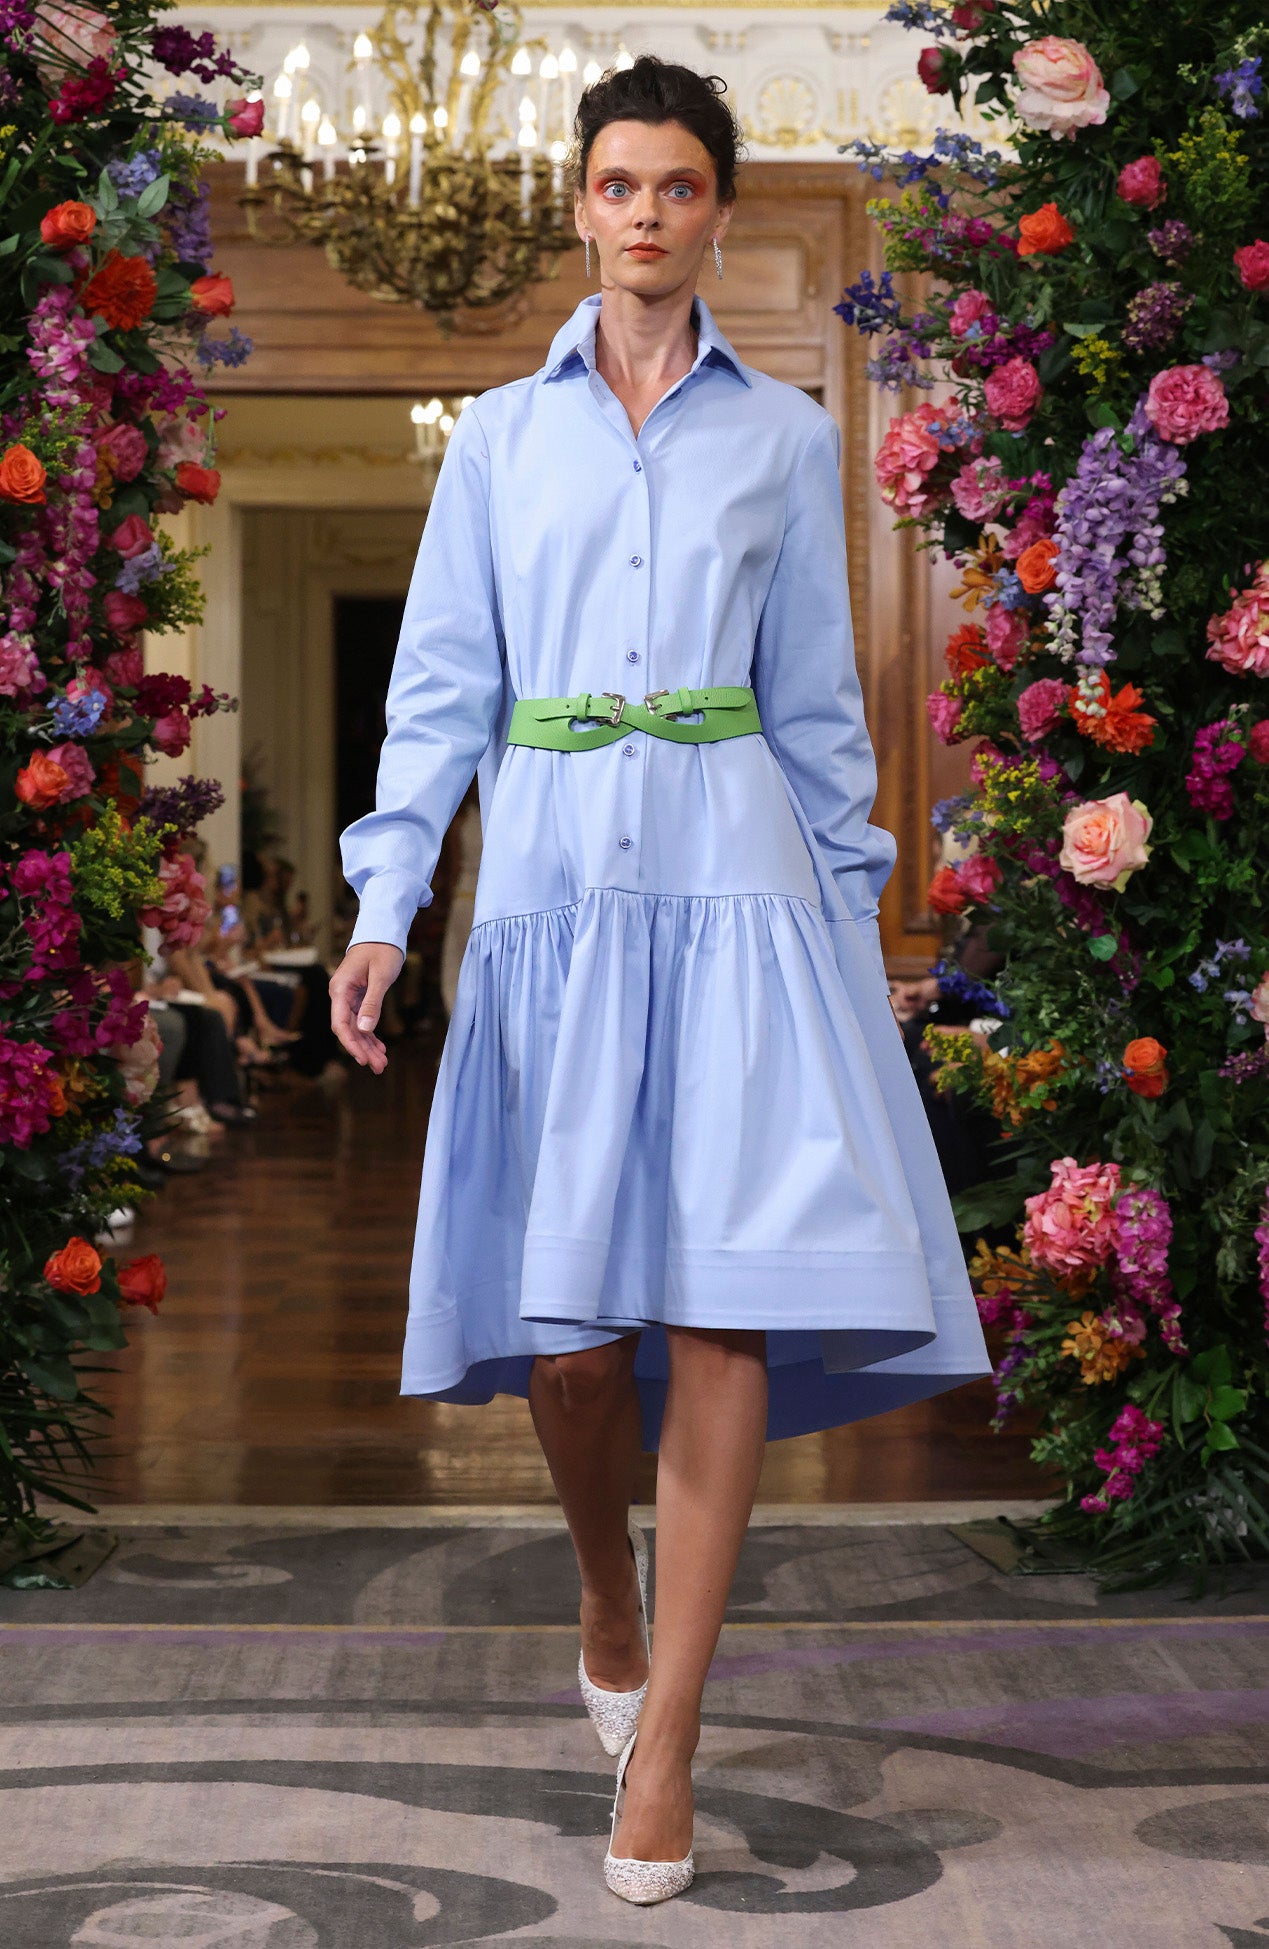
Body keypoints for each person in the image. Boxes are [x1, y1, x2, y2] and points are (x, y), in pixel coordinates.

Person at [330, 54, 991, 1907]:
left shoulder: (781, 437)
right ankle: (602, 1591)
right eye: (617, 183)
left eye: (677, 185)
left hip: (741, 899)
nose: (644, 212)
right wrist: (385, 904)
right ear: (579, 204)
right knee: (567, 1346)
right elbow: (439, 696)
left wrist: (856, 930)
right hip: (548, 899)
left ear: (717, 211)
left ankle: (673, 1732)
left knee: (717, 1314)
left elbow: (818, 715)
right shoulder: (498, 440)